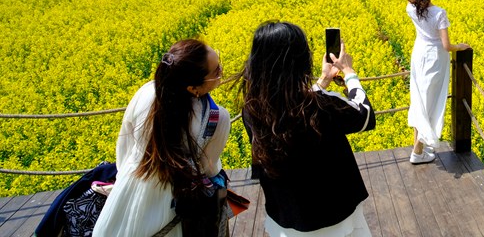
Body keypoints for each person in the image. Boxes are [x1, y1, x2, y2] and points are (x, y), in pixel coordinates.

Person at [241, 21, 376, 236]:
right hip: (333, 217)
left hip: (287, 217)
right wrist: (349, 72)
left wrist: (323, 80)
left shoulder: (252, 108)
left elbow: (291, 108)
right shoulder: (321, 105)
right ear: (300, 61)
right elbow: (365, 116)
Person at [94, 39, 231, 237]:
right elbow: (208, 168)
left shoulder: (146, 91)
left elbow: (125, 147)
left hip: (127, 189)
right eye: (216, 70)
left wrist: (128, 176)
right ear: (193, 88)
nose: (221, 72)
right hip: (172, 206)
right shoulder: (217, 117)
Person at [405, 0, 469, 164]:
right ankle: (417, 151)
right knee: (430, 103)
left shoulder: (410, 8)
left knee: (419, 100)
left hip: (419, 55)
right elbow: (447, 46)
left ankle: (419, 149)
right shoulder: (439, 13)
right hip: (434, 59)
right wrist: (462, 46)